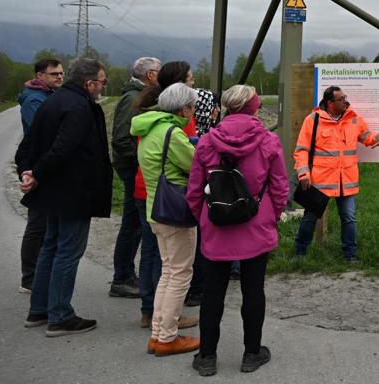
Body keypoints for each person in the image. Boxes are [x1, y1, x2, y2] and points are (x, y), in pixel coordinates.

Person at [187, 85, 290, 376]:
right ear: (254, 107)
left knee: (212, 293)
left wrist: (204, 218)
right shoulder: (268, 141)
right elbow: (280, 187)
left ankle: (207, 356)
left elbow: (194, 190)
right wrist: (272, 216)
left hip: (217, 224)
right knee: (253, 290)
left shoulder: (207, 142)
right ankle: (252, 353)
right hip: (255, 222)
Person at [16, 57, 111, 337]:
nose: (103, 87)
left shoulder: (52, 101)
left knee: (51, 247)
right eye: (102, 82)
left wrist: (28, 172)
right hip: (73, 191)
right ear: (89, 82)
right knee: (68, 252)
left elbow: (28, 145)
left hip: (53, 192)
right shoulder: (79, 107)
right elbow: (63, 148)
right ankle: (60, 315)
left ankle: (39, 310)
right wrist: (37, 174)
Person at [132, 83, 201, 356]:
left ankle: (159, 333)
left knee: (169, 272)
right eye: (192, 107)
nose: (193, 112)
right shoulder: (172, 133)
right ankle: (168, 337)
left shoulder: (149, 128)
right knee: (181, 274)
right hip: (175, 212)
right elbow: (195, 164)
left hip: (155, 208)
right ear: (184, 108)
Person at [293, 86, 379, 263]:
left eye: (345, 98)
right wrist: (303, 173)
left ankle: (350, 255)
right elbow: (302, 150)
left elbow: (367, 137)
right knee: (310, 218)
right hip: (321, 181)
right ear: (329, 103)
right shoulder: (312, 120)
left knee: (349, 219)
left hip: (346, 181)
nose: (345, 101)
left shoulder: (353, 118)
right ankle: (299, 254)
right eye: (341, 99)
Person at [109, 56, 161, 301]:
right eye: (159, 72)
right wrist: (143, 158)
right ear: (150, 75)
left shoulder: (137, 95)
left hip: (134, 167)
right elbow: (121, 139)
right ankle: (122, 278)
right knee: (132, 224)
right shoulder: (133, 98)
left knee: (136, 224)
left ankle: (127, 274)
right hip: (132, 169)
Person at [16, 57, 63, 294]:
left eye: (61, 73)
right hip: (37, 165)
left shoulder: (47, 96)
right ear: (40, 76)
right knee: (38, 222)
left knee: (44, 221)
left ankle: (39, 273)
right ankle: (29, 277)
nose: (59, 77)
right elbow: (44, 131)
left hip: (44, 164)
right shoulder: (34, 99)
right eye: (54, 74)